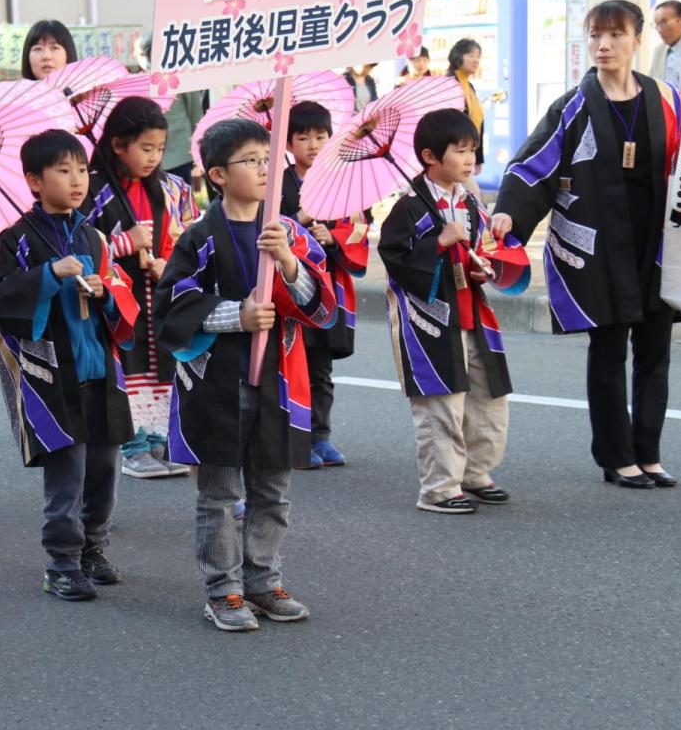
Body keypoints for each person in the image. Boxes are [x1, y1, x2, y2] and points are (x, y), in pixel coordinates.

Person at [153, 118, 337, 632]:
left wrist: (288, 263)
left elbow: (323, 307)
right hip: (218, 384)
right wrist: (237, 315)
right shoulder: (198, 238)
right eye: (250, 161)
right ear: (217, 174)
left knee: (272, 490)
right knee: (218, 494)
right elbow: (172, 307)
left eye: (266, 160)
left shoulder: (287, 231)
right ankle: (223, 590)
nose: (262, 169)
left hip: (279, 381)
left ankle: (264, 580)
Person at [493, 0, 681, 489]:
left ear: (638, 40)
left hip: (658, 244)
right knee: (608, 351)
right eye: (596, 35)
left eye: (616, 35)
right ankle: (617, 456)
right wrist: (508, 213)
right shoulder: (573, 106)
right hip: (600, 247)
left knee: (656, 352)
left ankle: (649, 452)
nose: (604, 45)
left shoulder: (667, 99)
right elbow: (533, 165)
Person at [0, 129, 139, 602]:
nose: (77, 181)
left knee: (104, 471)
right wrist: (50, 274)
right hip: (51, 374)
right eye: (63, 171)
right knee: (67, 472)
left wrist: (105, 293)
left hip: (100, 369)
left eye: (81, 171)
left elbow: (122, 292)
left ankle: (94, 547)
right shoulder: (15, 240)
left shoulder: (93, 236)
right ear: (33, 180)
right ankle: (63, 562)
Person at [378, 109, 513, 514]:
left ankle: (474, 473)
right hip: (430, 322)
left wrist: (482, 263)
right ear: (430, 156)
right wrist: (437, 242)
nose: (470, 159)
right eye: (460, 151)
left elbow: (483, 247)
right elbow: (394, 259)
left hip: (472, 311)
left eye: (472, 150)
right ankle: (439, 487)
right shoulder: (409, 208)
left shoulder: (469, 201)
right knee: (442, 403)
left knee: (488, 397)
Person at [86, 96, 197, 479]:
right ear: (118, 144)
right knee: (125, 365)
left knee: (158, 366)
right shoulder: (94, 189)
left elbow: (185, 236)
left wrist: (168, 264)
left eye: (160, 149)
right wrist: (121, 244)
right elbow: (80, 243)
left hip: (157, 295)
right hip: (118, 301)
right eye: (145, 148)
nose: (153, 157)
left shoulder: (170, 188)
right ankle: (131, 443)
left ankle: (155, 438)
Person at [280, 101, 371, 468]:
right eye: (303, 138)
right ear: (288, 144)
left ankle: (321, 436)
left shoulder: (342, 183)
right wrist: (298, 220)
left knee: (320, 369)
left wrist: (331, 236)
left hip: (327, 289)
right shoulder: (278, 184)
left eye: (321, 136)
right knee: (290, 366)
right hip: (289, 291)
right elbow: (265, 226)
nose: (313, 145)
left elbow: (361, 228)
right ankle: (293, 439)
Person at [447, 39, 485, 178]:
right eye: (471, 55)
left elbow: (477, 122)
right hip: (455, 154)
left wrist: (477, 157)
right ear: (458, 56)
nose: (476, 60)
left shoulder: (469, 86)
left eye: (478, 56)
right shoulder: (450, 83)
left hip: (466, 153)